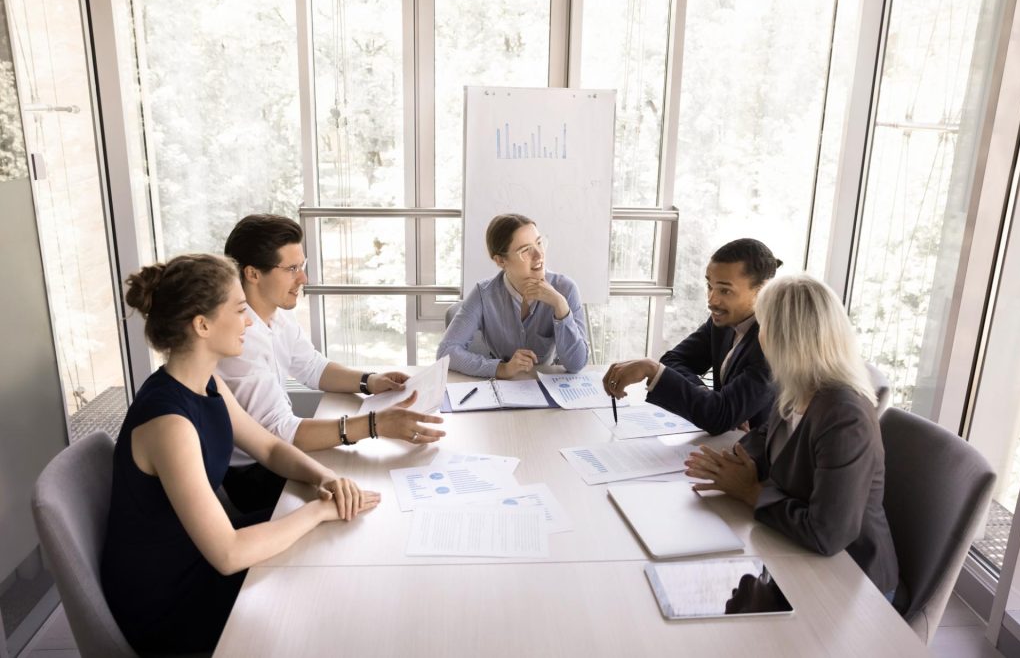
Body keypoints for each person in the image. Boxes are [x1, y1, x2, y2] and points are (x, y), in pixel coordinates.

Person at [100, 254, 380, 654]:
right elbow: (229, 554)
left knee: (333, 558)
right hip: (172, 597)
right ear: (202, 325)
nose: (249, 320)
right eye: (238, 309)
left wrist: (325, 479)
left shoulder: (206, 381)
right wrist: (318, 509)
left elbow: (267, 447)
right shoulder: (170, 425)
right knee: (319, 592)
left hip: (199, 553)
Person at [684, 274, 898, 596]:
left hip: (853, 581)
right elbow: (767, 437)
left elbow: (827, 535)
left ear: (785, 338)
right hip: (798, 555)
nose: (759, 336)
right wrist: (734, 462)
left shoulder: (845, 416)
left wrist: (749, 491)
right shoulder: (799, 387)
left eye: (763, 325)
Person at [219, 214, 445, 514]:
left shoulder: (276, 314)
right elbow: (281, 433)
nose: (303, 279)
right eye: (292, 269)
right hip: (256, 476)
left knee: (377, 486)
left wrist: (370, 381)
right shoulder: (238, 340)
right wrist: (375, 425)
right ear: (253, 274)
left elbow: (313, 367)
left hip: (279, 455)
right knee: (375, 497)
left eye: (303, 266)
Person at [603, 238, 780, 435]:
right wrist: (707, 398)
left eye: (725, 290)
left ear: (762, 292)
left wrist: (652, 370)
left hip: (762, 459)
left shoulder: (774, 344)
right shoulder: (722, 322)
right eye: (709, 287)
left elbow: (718, 418)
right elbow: (673, 360)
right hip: (726, 447)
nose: (711, 300)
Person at [437, 213, 589, 378]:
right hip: (502, 389)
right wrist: (501, 369)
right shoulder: (483, 294)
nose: (539, 255)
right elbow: (446, 352)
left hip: (548, 389)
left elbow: (577, 364)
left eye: (539, 243)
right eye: (525, 250)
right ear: (501, 261)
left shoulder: (565, 290)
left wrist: (560, 306)